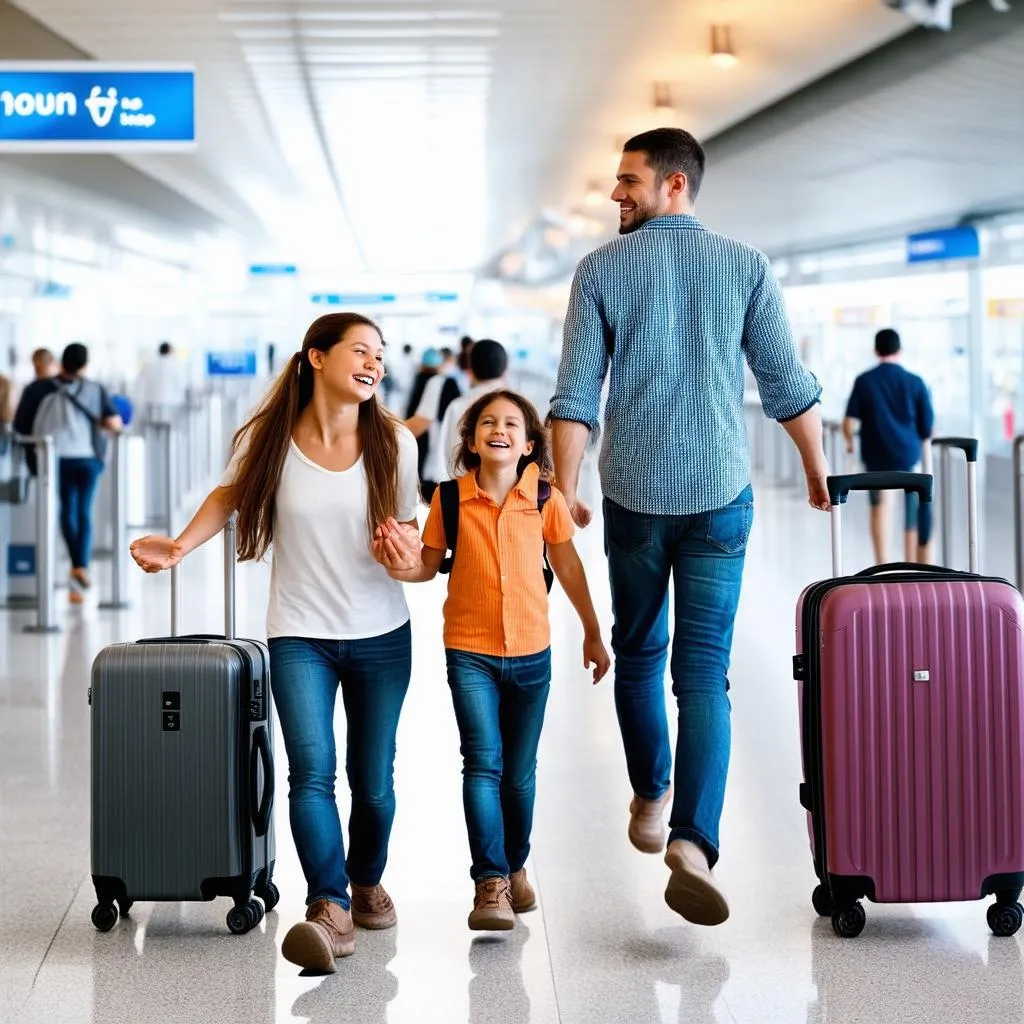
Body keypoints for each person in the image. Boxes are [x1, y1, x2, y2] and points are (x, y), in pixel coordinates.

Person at [549, 127, 829, 927]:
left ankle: (650, 791)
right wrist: (812, 467)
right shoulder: (745, 266)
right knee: (704, 673)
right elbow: (787, 383)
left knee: (639, 655)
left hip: (635, 500)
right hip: (718, 499)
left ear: (675, 184)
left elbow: (576, 395)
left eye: (629, 181)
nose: (615, 195)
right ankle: (694, 842)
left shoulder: (601, 270)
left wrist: (564, 489)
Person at [129, 313, 420, 975]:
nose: (373, 362)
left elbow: (414, 545)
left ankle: (366, 879)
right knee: (310, 772)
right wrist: (178, 546)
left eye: (379, 354)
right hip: (299, 634)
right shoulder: (271, 439)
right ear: (316, 358)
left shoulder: (396, 445)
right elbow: (230, 495)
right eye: (359, 350)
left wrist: (408, 556)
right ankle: (330, 906)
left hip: (380, 635)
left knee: (373, 783)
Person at [373, 389, 611, 929]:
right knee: (483, 763)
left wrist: (594, 634)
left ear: (529, 444)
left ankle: (515, 863)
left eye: (510, 424)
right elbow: (426, 567)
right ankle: (491, 883)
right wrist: (395, 562)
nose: (497, 429)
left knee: (519, 775)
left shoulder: (546, 499)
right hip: (470, 651)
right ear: (471, 438)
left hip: (532, 652)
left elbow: (569, 569)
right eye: (486, 422)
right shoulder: (450, 500)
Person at [14, 343, 124, 603]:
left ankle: (76, 568)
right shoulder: (95, 389)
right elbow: (114, 421)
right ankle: (80, 567)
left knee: (67, 510)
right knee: (84, 513)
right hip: (88, 460)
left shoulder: (38, 389)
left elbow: (21, 425)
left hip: (55, 459)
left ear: (61, 361)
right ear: (85, 365)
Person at [843, 328, 935, 564]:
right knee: (912, 507)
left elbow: (849, 422)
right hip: (907, 455)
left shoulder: (864, 381)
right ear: (900, 351)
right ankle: (912, 564)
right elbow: (927, 428)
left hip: (875, 456)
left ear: (876, 350)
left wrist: (850, 443)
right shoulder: (915, 382)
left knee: (879, 506)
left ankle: (882, 563)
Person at [436, 339, 508, 480]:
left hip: (465, 494)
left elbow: (451, 457)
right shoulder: (520, 406)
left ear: (470, 368)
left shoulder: (457, 407)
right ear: (505, 368)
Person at [404, 346, 462, 501]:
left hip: (423, 442)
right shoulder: (446, 382)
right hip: (439, 450)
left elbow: (421, 420)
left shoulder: (428, 381)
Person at [134, 341, 189, 423]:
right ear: (170, 351)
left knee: (153, 427)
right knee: (170, 428)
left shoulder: (149, 366)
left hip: (152, 406)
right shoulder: (177, 366)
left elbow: (140, 386)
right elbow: (181, 385)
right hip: (172, 405)